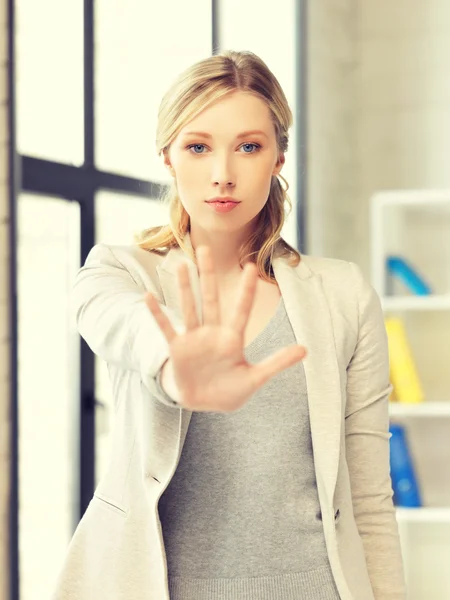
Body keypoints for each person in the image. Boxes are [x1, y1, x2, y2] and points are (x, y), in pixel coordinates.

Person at [52, 50, 407, 600]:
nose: (222, 174)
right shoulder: (119, 272)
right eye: (198, 147)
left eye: (248, 146)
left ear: (278, 157)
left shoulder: (343, 294)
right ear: (167, 157)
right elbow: (122, 325)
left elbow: (368, 498)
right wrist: (175, 367)